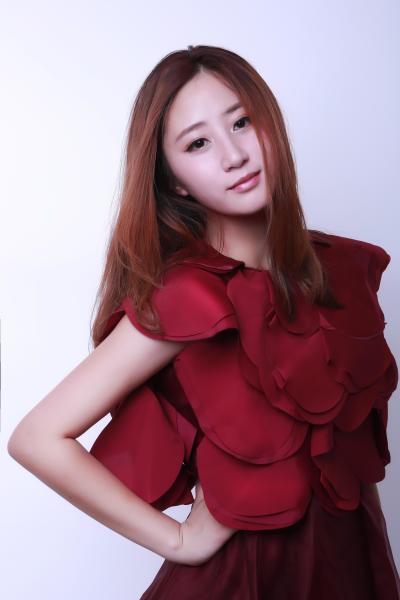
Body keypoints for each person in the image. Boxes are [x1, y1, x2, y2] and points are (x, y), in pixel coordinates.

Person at [7, 44, 400, 599]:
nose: (234, 155)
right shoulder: (189, 297)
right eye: (198, 143)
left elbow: (348, 467)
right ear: (175, 182)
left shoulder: (341, 272)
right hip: (242, 582)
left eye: (242, 122)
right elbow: (36, 438)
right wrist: (178, 540)